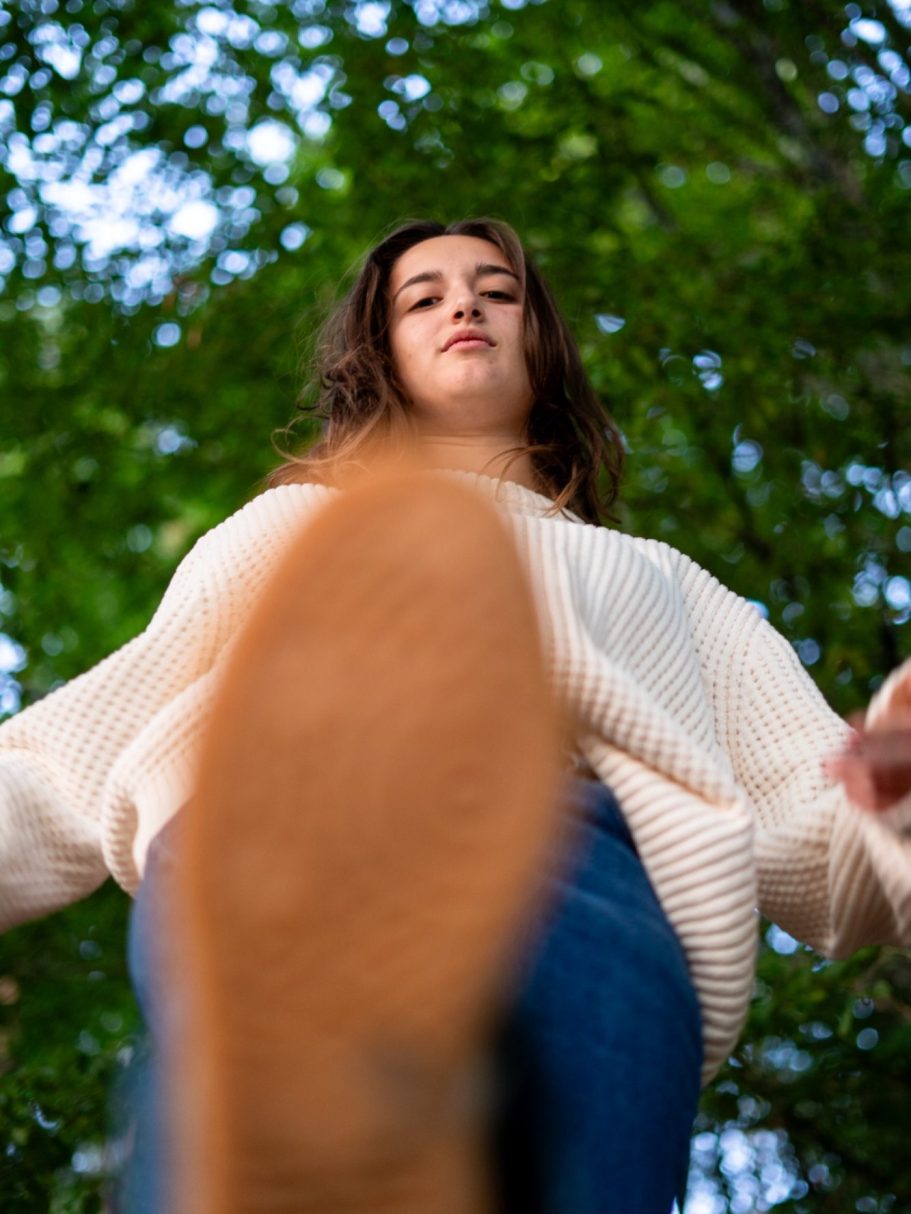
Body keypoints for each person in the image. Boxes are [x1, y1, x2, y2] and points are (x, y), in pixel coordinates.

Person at [1, 217, 910, 1214]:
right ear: (377, 351)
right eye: (421, 298)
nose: (464, 305)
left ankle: (331, 1119)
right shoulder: (294, 527)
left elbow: (824, 837)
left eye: (496, 289)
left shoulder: (668, 584)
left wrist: (894, 784)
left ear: (540, 340)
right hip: (285, 818)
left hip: (578, 859)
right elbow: (64, 765)